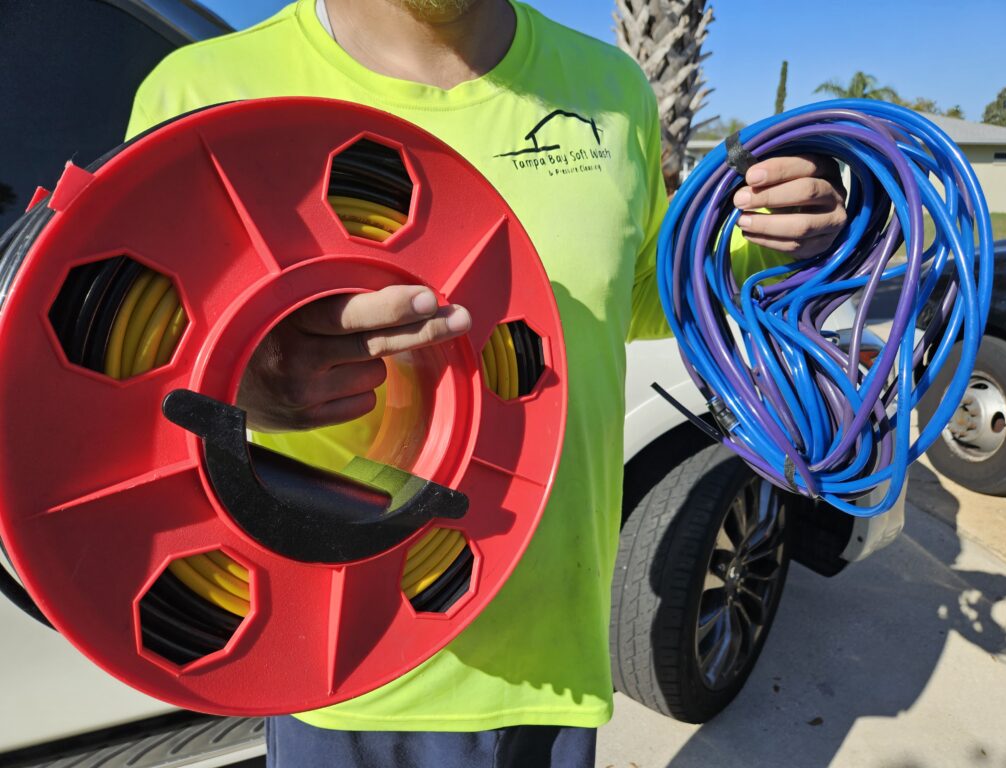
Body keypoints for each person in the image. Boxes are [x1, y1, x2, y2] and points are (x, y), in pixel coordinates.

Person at [126, 1, 848, 765]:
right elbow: (115, 383)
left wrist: (785, 246)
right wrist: (236, 390)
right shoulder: (205, 93)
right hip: (347, 680)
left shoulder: (612, 88)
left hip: (555, 673)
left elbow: (638, 294)